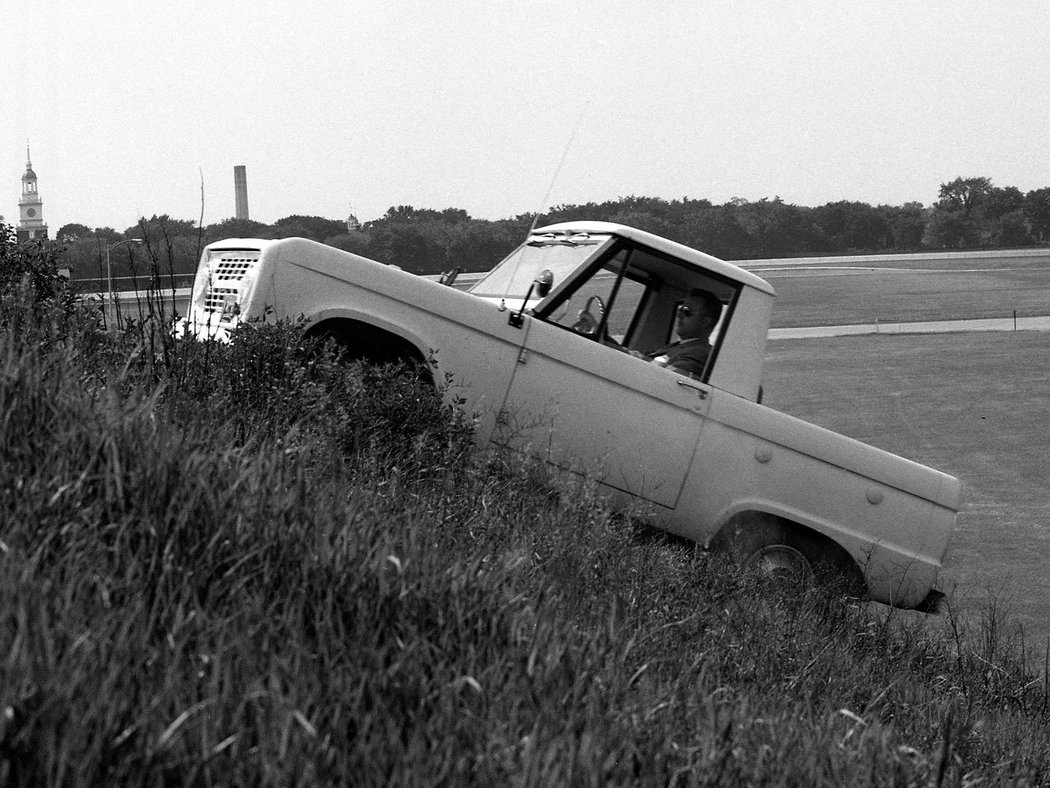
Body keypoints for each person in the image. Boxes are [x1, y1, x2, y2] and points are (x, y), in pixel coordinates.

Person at [641, 288, 722, 377]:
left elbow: (663, 377)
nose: (679, 315)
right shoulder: (674, 346)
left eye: (687, 311)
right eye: (680, 309)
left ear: (705, 322)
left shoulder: (700, 354)